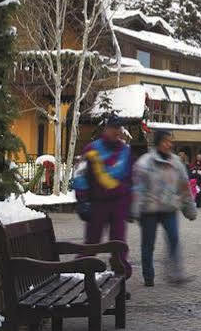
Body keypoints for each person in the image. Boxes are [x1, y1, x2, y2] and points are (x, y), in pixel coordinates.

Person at [131, 129, 197, 286]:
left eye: (170, 141)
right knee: (148, 244)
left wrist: (189, 209)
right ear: (158, 143)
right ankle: (148, 277)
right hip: (149, 210)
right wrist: (134, 210)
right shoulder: (145, 163)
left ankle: (176, 274)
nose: (169, 144)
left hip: (169, 208)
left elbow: (184, 187)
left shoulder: (176, 163)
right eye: (165, 141)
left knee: (174, 239)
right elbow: (137, 188)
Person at [73, 115, 133, 278]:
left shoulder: (125, 151)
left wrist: (130, 203)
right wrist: (82, 200)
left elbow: (129, 178)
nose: (117, 132)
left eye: (119, 129)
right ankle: (79, 274)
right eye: (114, 128)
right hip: (97, 204)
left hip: (118, 204)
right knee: (92, 243)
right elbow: (80, 174)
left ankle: (120, 280)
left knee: (119, 245)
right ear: (106, 129)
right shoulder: (92, 149)